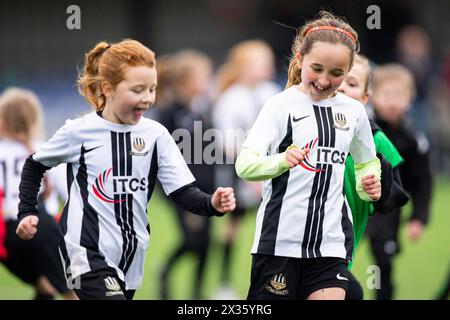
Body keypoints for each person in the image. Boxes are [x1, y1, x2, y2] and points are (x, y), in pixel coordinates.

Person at [15, 39, 236, 300]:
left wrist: (211, 203)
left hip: (131, 255)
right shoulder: (79, 131)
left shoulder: (156, 135)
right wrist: (27, 210)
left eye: (152, 90)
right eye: (138, 90)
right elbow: (35, 164)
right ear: (108, 89)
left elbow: (182, 191)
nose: (147, 99)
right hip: (85, 252)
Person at [235, 11, 381, 300]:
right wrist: (281, 161)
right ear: (299, 59)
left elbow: (367, 160)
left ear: (349, 69)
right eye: (317, 68)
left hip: (330, 245)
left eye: (337, 74)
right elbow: (245, 165)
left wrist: (369, 182)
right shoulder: (279, 106)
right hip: (278, 244)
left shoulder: (353, 112)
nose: (325, 80)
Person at [337, 55, 409, 300]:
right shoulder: (303, 126)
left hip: (341, 246)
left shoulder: (376, 139)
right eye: (337, 77)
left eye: (352, 83)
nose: (343, 87)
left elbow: (396, 196)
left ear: (365, 98)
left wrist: (380, 190)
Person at [212, 39, 280, 298]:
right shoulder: (231, 97)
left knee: (273, 226)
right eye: (258, 62)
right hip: (238, 170)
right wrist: (252, 170)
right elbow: (228, 142)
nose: (266, 67)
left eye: (267, 62)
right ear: (242, 66)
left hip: (270, 168)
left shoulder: (270, 93)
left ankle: (275, 282)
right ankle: (224, 284)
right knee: (232, 227)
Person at [0, 87, 77, 300]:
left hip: (8, 237)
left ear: (2, 122)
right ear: (34, 119)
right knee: (72, 293)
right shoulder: (46, 149)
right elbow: (71, 192)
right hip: (41, 227)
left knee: (45, 287)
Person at [367, 63, 433, 300]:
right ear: (371, 96)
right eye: (386, 94)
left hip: (388, 211)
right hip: (356, 205)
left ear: (410, 98)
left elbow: (422, 182)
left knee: (384, 262)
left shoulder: (414, 139)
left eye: (399, 95)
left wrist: (418, 217)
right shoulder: (363, 130)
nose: (393, 102)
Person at [157, 50, 215, 300]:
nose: (207, 82)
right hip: (182, 189)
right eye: (203, 77)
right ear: (186, 81)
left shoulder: (202, 109)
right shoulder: (170, 112)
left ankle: (197, 295)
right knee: (192, 241)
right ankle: (165, 270)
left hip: (206, 188)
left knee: (206, 244)